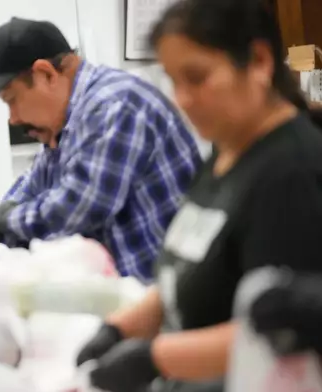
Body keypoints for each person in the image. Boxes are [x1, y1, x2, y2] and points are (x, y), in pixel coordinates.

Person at [75, 0, 322, 391]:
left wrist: (155, 357)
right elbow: (193, 266)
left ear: (258, 61)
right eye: (175, 81)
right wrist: (119, 329)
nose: (183, 99)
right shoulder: (226, 151)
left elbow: (281, 333)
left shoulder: (291, 173)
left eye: (197, 77)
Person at [0, 17, 202, 283]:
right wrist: (3, 220)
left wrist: (8, 220)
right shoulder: (65, 124)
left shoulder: (115, 104)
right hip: (126, 295)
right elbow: (31, 187)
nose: (13, 118)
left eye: (12, 100)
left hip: (167, 296)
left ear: (46, 74)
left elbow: (76, 210)